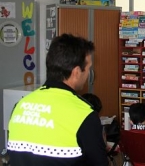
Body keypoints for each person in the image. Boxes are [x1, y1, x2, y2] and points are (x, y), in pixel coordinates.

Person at [7, 34, 108, 166]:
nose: (89, 73)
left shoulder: (20, 106)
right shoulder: (84, 114)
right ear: (77, 72)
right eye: (88, 68)